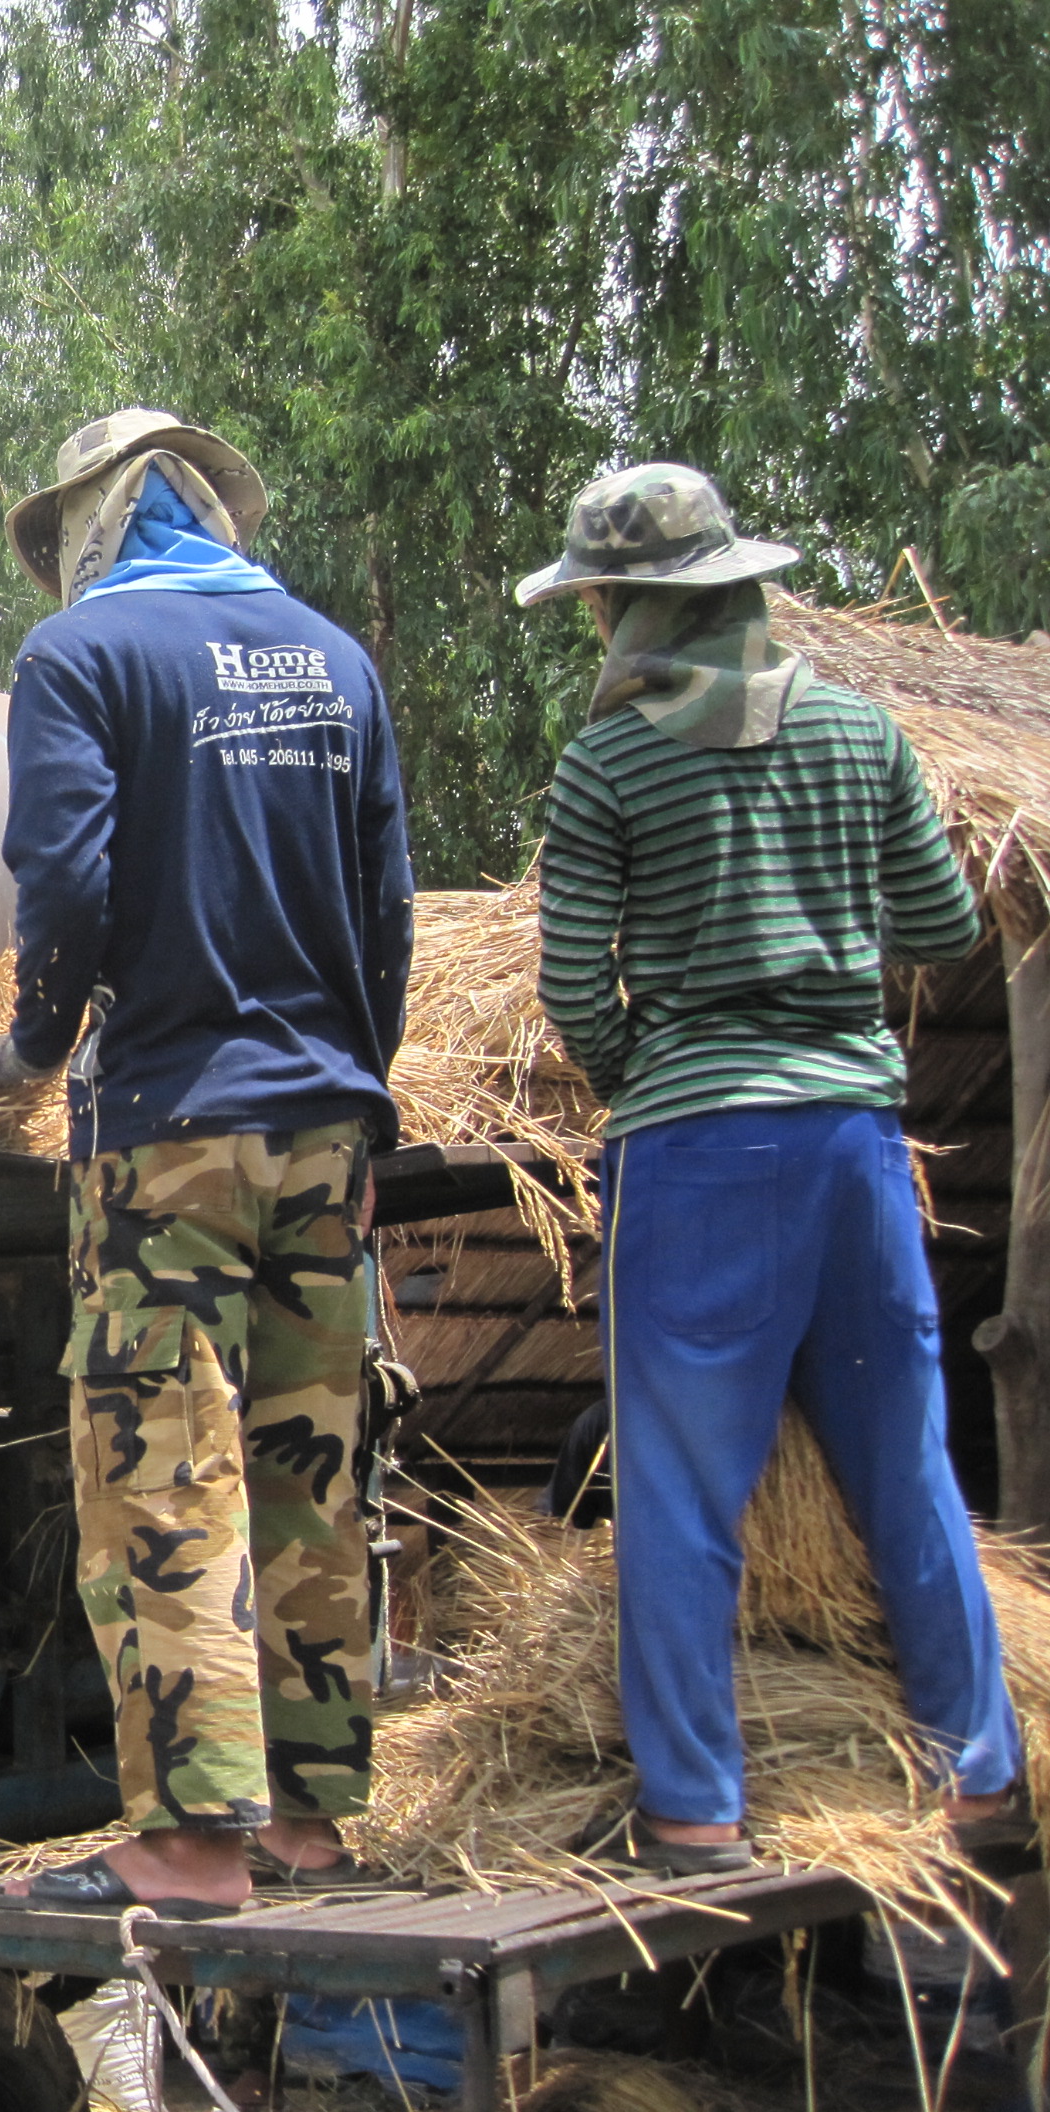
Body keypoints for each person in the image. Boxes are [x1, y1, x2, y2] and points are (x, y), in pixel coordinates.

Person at [0, 410, 414, 1915]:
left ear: (91, 524)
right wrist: (362, 1087)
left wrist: (36, 1044)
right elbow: (385, 902)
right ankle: (312, 1824)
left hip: (170, 1132)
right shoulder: (336, 660)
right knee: (314, 1467)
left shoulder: (80, 661)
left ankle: (194, 1845)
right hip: (330, 1125)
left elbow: (65, 873)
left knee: (167, 1463)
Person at [522, 462, 1024, 1872]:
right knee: (907, 1466)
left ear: (634, 607)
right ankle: (983, 1782)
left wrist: (649, 1086)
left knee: (681, 1492)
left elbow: (571, 980)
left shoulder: (612, 762)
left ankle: (695, 1811)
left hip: (696, 1159)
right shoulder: (861, 732)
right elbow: (937, 916)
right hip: (855, 1148)